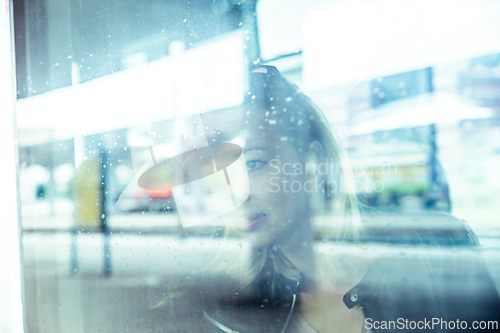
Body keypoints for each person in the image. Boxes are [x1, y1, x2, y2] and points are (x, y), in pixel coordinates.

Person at [143, 65, 500, 332]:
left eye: (253, 163)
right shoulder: (220, 307)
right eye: (219, 176)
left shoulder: (440, 255)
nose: (236, 196)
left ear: (312, 163)